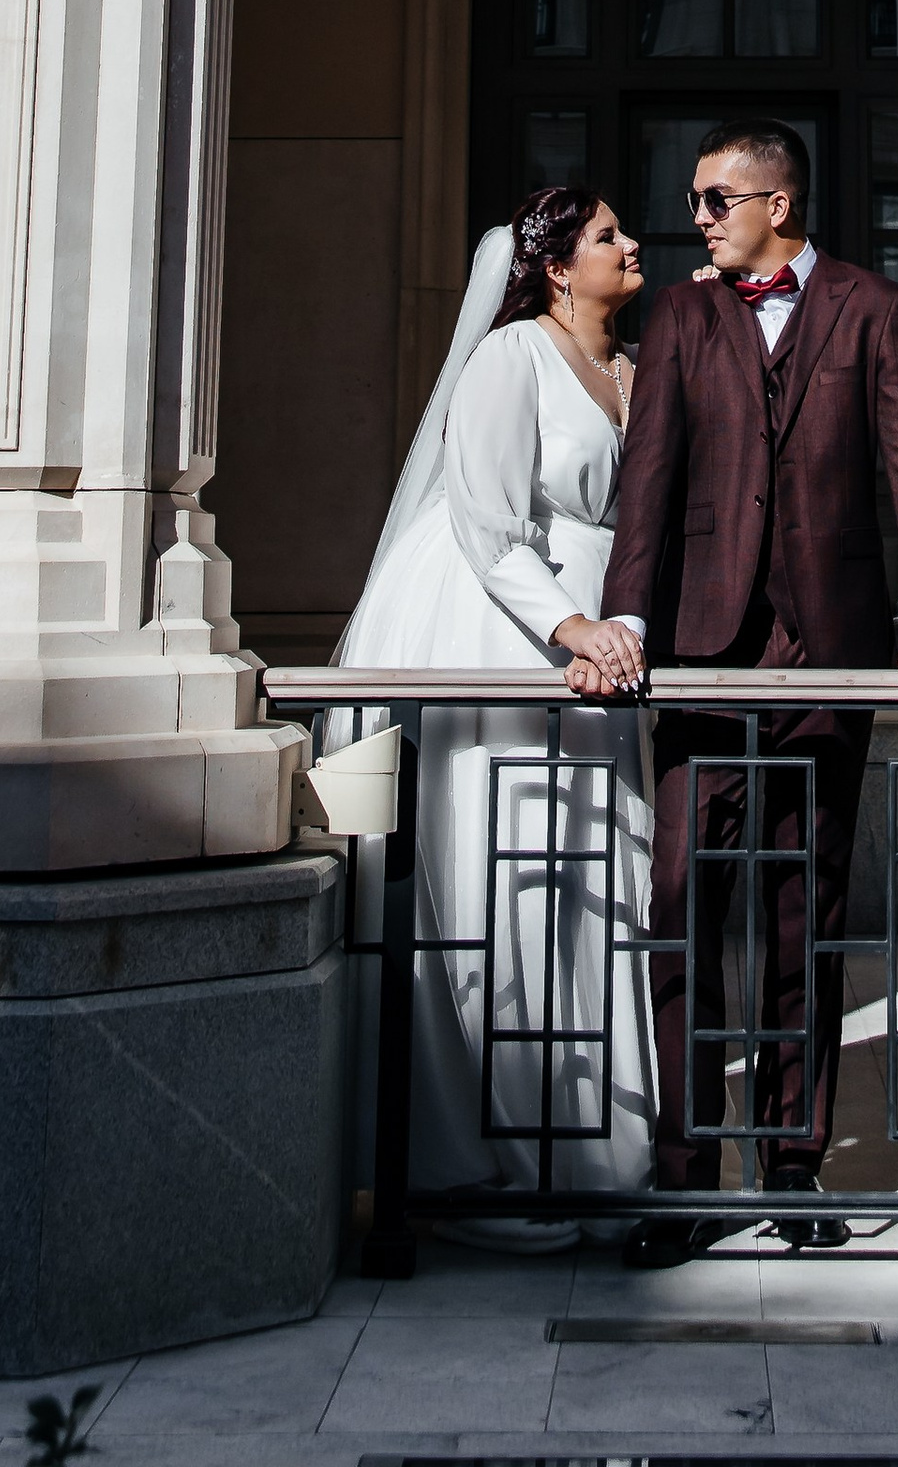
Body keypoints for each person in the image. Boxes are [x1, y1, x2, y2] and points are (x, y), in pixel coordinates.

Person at [599, 117, 898, 1266]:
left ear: (779, 203)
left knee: (802, 912)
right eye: (697, 201)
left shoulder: (871, 309)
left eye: (716, 199)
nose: (697, 218)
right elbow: (649, 479)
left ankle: (795, 1163)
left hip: (829, 651)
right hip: (704, 655)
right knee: (679, 905)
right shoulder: (679, 317)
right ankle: (680, 1171)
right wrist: (626, 623)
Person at [331, 187, 657, 1244]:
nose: (631, 244)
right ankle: (485, 1148)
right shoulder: (508, 357)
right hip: (499, 628)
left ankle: (591, 1142)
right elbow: (481, 515)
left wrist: (623, 623)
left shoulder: (632, 370)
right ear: (558, 266)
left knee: (590, 875)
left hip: (607, 640)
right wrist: (569, 625)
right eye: (608, 235)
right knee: (504, 869)